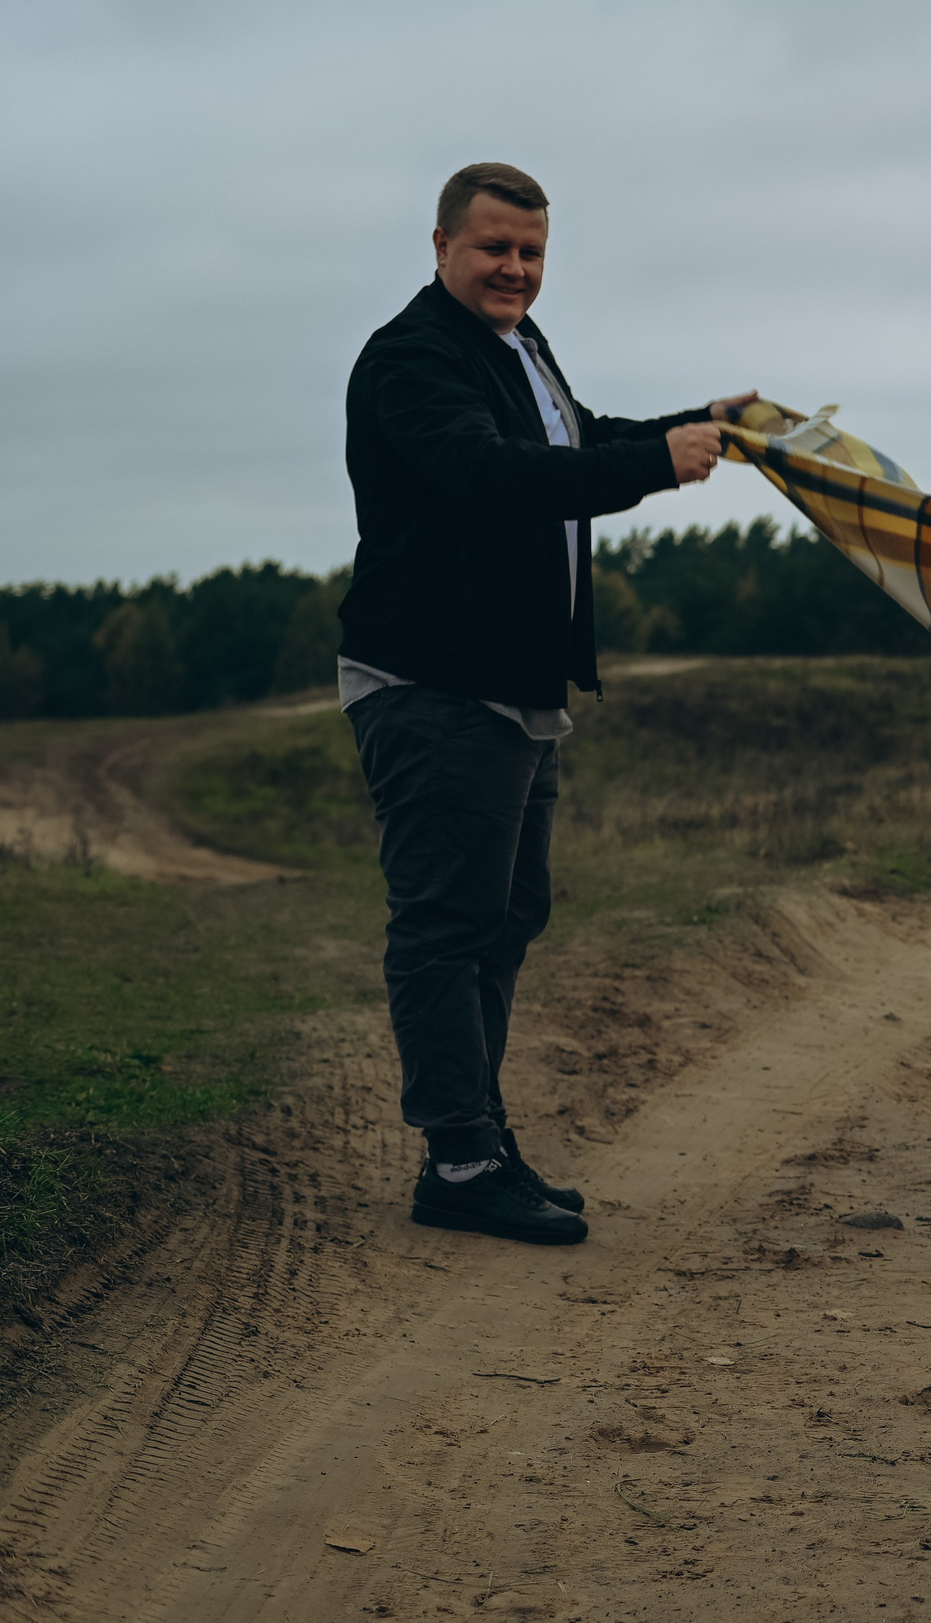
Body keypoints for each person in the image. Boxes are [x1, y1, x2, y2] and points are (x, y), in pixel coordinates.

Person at [338, 162, 755, 1246]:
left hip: (513, 690)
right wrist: (657, 467)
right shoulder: (413, 360)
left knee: (506, 917)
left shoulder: (519, 346)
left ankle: (476, 1137)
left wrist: (695, 421)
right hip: (434, 688)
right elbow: (498, 476)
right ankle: (461, 1157)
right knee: (445, 924)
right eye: (493, 249)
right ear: (440, 247)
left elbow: (576, 437)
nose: (515, 269)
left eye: (530, 252)